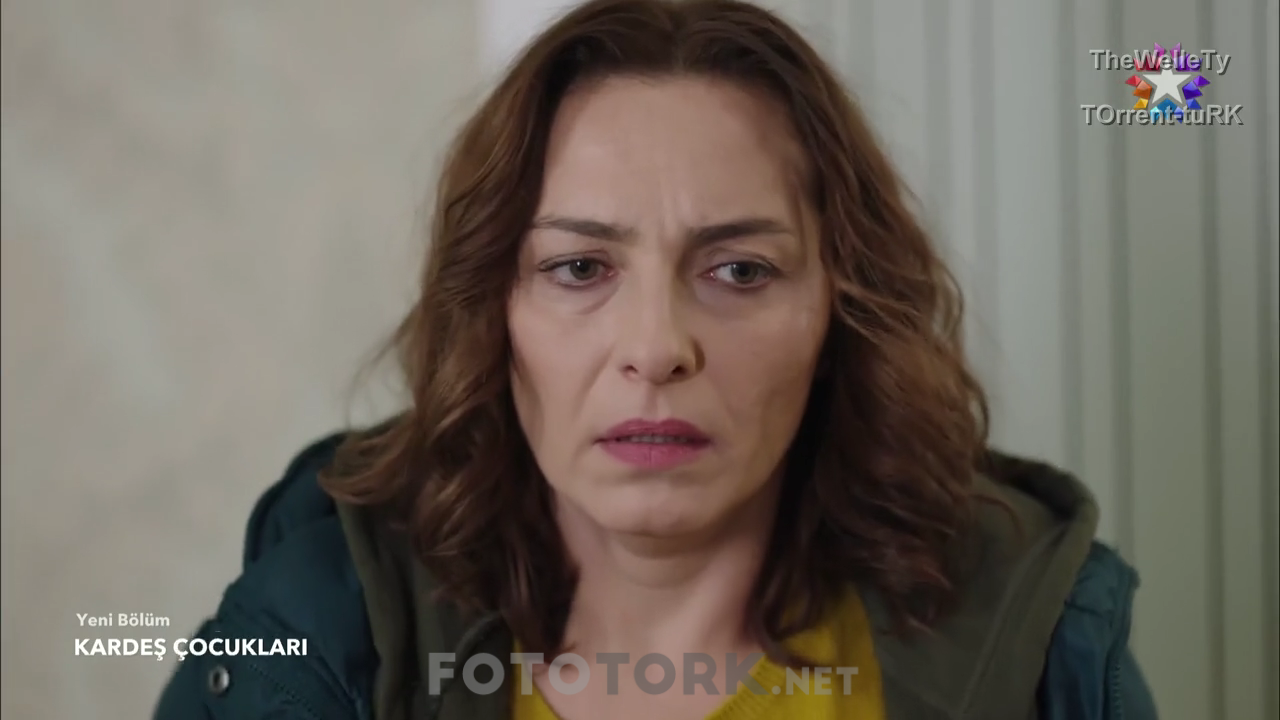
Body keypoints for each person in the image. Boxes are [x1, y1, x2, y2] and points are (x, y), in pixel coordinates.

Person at [154, 0, 1159, 718]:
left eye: (739, 271)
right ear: (493, 310)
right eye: (580, 267)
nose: (655, 349)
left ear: (837, 312)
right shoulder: (311, 628)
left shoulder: (1042, 639)